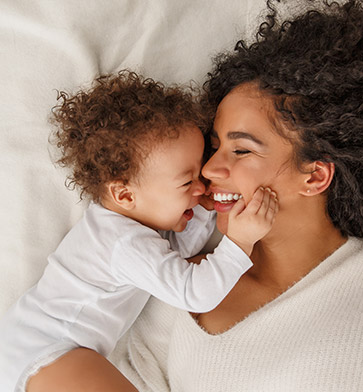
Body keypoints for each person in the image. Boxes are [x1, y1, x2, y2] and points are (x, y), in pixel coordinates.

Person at [118, 0, 363, 391]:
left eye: (241, 150)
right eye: (214, 148)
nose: (210, 169)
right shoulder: (178, 281)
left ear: (315, 176)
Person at [0, 71, 278, 392]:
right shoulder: (124, 243)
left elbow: (175, 258)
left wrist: (202, 208)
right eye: (187, 182)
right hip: (49, 352)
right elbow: (192, 291)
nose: (201, 186)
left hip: (32, 349)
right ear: (126, 195)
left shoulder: (124, 226)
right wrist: (239, 241)